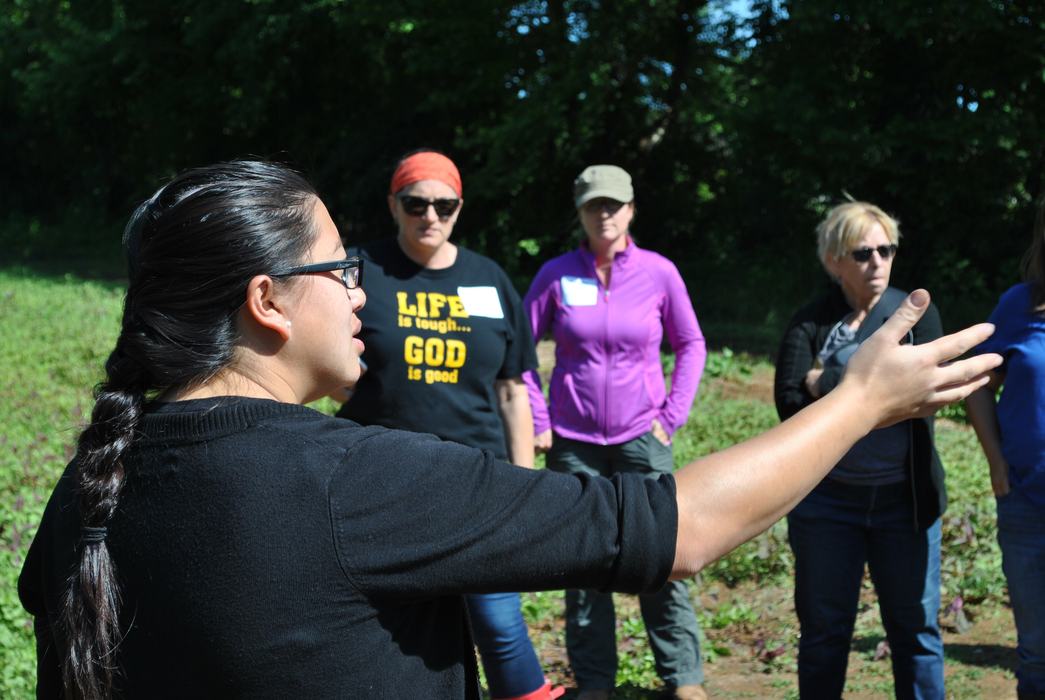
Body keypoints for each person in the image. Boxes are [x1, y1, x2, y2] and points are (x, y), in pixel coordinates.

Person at [18, 160, 998, 700]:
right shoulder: (350, 481)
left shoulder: (89, 489)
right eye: (339, 268)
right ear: (268, 301)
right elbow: (674, 528)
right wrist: (860, 400)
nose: (363, 288)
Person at [334, 150, 558, 700]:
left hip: (474, 481)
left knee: (500, 623)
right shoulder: (362, 270)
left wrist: (523, 483)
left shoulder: (489, 278)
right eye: (416, 203)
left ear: (459, 208)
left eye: (444, 205)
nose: (430, 216)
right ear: (394, 205)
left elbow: (512, 389)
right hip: (379, 475)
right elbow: (328, 366)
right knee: (390, 627)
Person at [522, 164, 708, 700]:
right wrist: (539, 420)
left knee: (662, 556)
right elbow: (520, 351)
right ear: (580, 212)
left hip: (640, 439)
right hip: (574, 445)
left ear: (630, 210)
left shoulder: (659, 273)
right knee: (583, 566)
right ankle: (596, 682)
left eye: (614, 204)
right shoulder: (556, 275)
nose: (604, 214)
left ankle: (684, 678)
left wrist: (671, 415)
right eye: (593, 205)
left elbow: (691, 344)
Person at [773, 200, 948, 699]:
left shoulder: (916, 312)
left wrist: (827, 381)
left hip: (905, 503)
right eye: (863, 251)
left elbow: (922, 398)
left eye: (885, 249)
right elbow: (788, 403)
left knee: (916, 634)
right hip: (827, 503)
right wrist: (872, 392)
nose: (877, 261)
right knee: (825, 635)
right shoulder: (812, 322)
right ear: (834, 260)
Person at [966, 197, 1045, 700]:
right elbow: (976, 382)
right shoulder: (1020, 304)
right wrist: (996, 460)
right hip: (1027, 505)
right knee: (1037, 654)